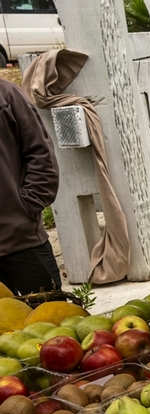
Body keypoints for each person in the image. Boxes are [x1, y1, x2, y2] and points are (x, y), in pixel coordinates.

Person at [0, 78, 62, 296]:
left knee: (52, 318)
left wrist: (28, 205)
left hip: (20, 240)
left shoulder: (6, 95)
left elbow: (40, 153)